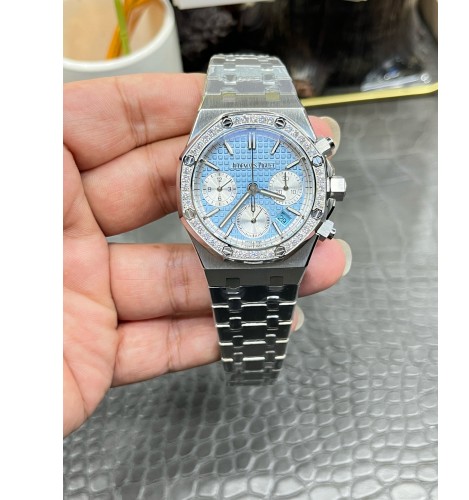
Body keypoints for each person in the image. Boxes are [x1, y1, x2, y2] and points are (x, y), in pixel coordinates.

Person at [63, 73, 352, 437]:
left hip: (270, 244)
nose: (252, 187)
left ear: (329, 189)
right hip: (234, 243)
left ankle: (254, 368)